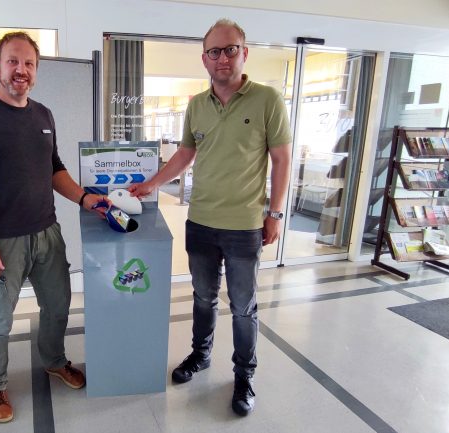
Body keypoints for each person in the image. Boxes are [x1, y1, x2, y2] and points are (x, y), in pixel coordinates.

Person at [128, 19, 292, 417]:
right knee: (202, 297)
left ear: (244, 52)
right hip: (200, 221)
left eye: (230, 49)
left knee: (242, 307)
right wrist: (152, 184)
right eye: (214, 52)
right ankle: (200, 356)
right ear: (204, 59)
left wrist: (275, 213)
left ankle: (243, 376)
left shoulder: (267, 99)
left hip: (245, 226)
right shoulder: (197, 105)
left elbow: (282, 158)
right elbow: (186, 155)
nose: (222, 58)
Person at [0, 31, 107, 423]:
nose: (21, 70)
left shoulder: (43, 115)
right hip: (1, 242)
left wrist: (85, 198)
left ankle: (55, 361)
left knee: (57, 305)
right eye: (13, 62)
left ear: (36, 70)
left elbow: (54, 169)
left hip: (47, 233)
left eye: (29, 64)